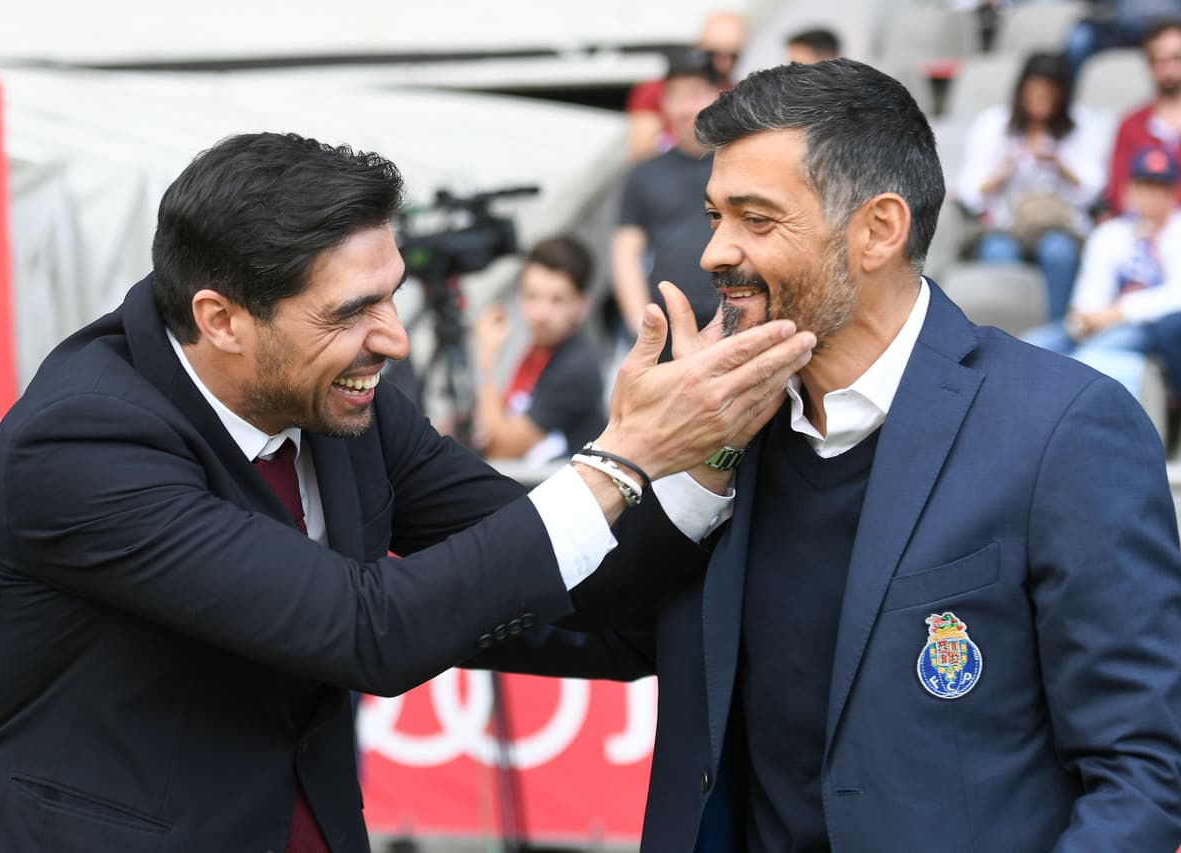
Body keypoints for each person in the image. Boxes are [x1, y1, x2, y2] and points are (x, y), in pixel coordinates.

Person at [0, 132, 816, 853]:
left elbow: (565, 570)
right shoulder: (81, 441)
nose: (392, 339)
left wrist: (708, 457)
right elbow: (365, 630)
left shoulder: (344, 403)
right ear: (220, 318)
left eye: (391, 295)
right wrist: (623, 455)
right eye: (350, 312)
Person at [482, 58, 1181, 851]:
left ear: (878, 229)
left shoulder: (1064, 429)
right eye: (715, 215)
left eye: (755, 217)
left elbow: (1141, 777)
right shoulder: (718, 437)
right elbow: (589, 622)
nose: (715, 251)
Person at [955, 52, 1107, 321]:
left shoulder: (1083, 125)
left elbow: (1094, 191)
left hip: (1060, 225)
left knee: (1058, 252)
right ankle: (1004, 334)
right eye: (1033, 94)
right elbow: (970, 192)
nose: (1039, 102)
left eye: (1048, 95)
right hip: (1006, 225)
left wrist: (1060, 165)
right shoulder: (994, 124)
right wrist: (1004, 170)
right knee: (999, 252)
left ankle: (1055, 332)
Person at [1024, 146, 1181, 399]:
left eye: (1160, 188)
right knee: (1030, 347)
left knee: (1091, 358)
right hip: (1098, 321)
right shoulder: (1111, 233)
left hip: (1143, 326)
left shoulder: (1176, 231)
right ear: (1131, 190)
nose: (1152, 196)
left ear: (1172, 192)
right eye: (1145, 186)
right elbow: (1090, 290)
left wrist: (1119, 312)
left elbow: (1176, 295)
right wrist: (1084, 319)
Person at [613, 48, 723, 355]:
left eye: (696, 93)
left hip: (736, 323)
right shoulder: (644, 173)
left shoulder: (739, 163)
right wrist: (642, 327)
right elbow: (626, 255)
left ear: (717, 95)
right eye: (676, 96)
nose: (687, 107)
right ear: (664, 103)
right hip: (668, 331)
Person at [472, 235, 605, 465]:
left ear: (582, 305)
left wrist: (486, 361)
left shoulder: (575, 366)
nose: (541, 313)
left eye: (557, 300)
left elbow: (501, 450)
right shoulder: (538, 349)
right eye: (532, 296)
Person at [624, 9, 747, 162]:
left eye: (733, 56)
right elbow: (641, 152)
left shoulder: (737, 93)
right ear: (699, 46)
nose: (724, 63)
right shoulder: (654, 90)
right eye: (715, 54)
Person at [1105, 18, 1181, 216]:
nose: (1169, 69)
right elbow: (1117, 192)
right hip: (1140, 227)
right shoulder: (1130, 125)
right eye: (1160, 61)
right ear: (1149, 66)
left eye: (1177, 58)